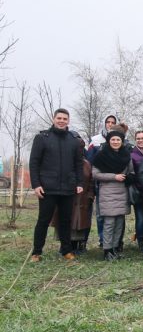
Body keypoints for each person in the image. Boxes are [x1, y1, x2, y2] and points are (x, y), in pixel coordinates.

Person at [29, 108, 84, 262]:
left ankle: (66, 250)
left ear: (68, 121)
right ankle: (36, 252)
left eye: (65, 119)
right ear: (54, 119)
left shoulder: (74, 140)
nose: (61, 121)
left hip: (68, 187)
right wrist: (36, 184)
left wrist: (79, 182)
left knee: (65, 221)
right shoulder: (42, 138)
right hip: (47, 188)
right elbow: (34, 163)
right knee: (43, 220)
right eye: (59, 118)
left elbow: (78, 164)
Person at [91, 130, 134, 260]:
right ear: (108, 141)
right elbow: (95, 174)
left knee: (119, 222)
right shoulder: (101, 155)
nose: (115, 142)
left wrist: (130, 177)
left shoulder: (126, 155)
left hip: (122, 192)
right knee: (109, 223)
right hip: (107, 192)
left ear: (122, 141)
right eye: (113, 140)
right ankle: (107, 250)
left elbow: (131, 171)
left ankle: (115, 249)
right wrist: (114, 176)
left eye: (118, 140)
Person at [130, 130, 143, 252]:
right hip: (138, 192)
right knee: (141, 218)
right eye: (138, 138)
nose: (141, 140)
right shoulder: (132, 154)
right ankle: (141, 242)